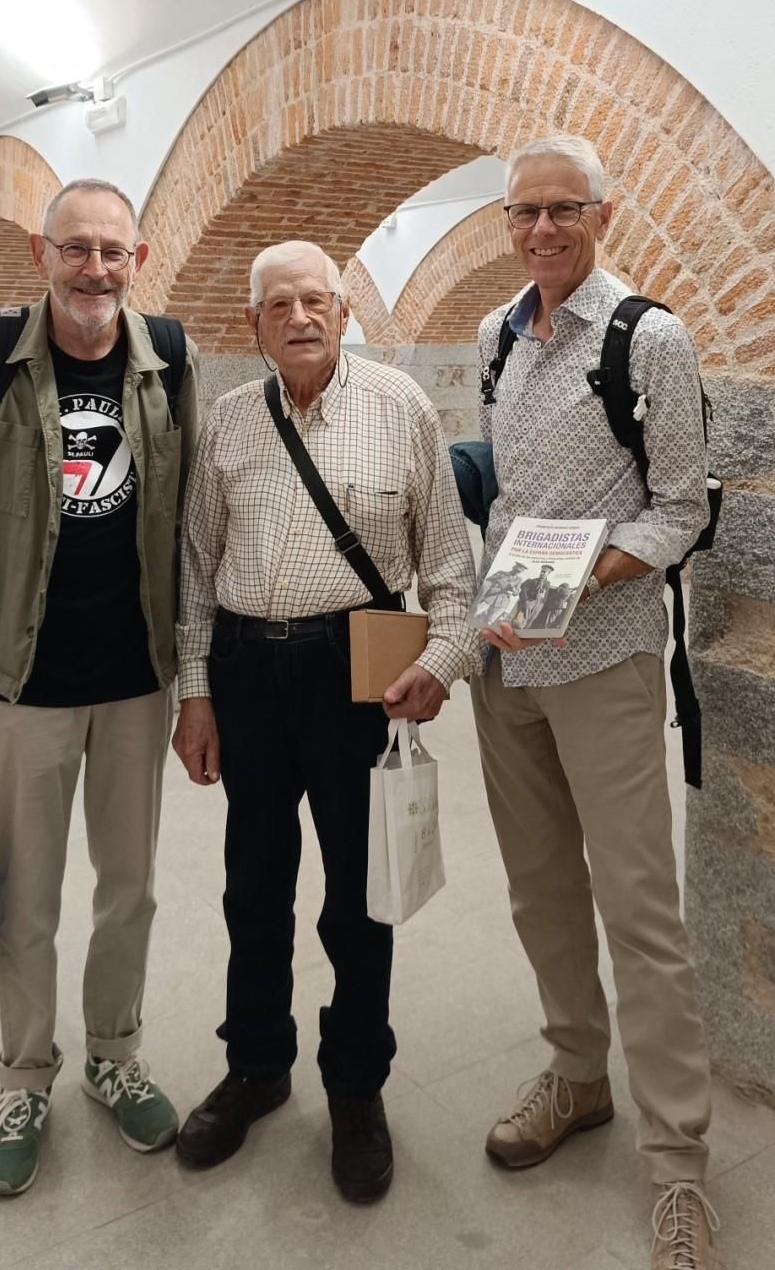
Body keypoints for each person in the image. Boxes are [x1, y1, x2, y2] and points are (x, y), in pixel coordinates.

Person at [0, 178, 200, 1197]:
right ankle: (25, 1077)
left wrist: (196, 678)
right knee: (23, 894)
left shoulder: (169, 358)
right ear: (43, 254)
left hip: (133, 682)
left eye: (113, 251)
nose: (95, 269)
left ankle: (115, 1055)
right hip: (18, 682)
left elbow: (193, 529)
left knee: (132, 890)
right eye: (77, 248)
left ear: (139, 257)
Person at [171, 240, 477, 1203]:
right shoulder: (226, 422)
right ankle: (257, 1065)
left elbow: (449, 562)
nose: (300, 317)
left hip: (363, 664)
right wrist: (194, 690)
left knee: (361, 891)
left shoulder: (403, 410)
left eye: (317, 300)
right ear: (254, 324)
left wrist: (442, 659)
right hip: (247, 663)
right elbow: (193, 564)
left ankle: (356, 1084)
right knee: (252, 883)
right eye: (279, 305)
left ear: (345, 314)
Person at [471, 136, 721, 1270]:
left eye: (563, 209)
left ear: (600, 216)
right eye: (524, 212)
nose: (542, 230)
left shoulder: (648, 339)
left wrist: (582, 574)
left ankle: (679, 1166)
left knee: (640, 913)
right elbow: (506, 497)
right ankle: (577, 1077)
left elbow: (680, 510)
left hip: (605, 661)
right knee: (538, 895)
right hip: (506, 665)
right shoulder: (494, 337)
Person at [514, 563, 554, 629]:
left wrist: (542, 604)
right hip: (529, 602)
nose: (542, 573)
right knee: (519, 621)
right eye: (542, 571)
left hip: (539, 605)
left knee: (530, 621)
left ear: (548, 573)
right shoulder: (532, 581)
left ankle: (524, 634)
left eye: (544, 572)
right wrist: (526, 601)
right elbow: (523, 590)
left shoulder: (547, 584)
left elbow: (545, 595)